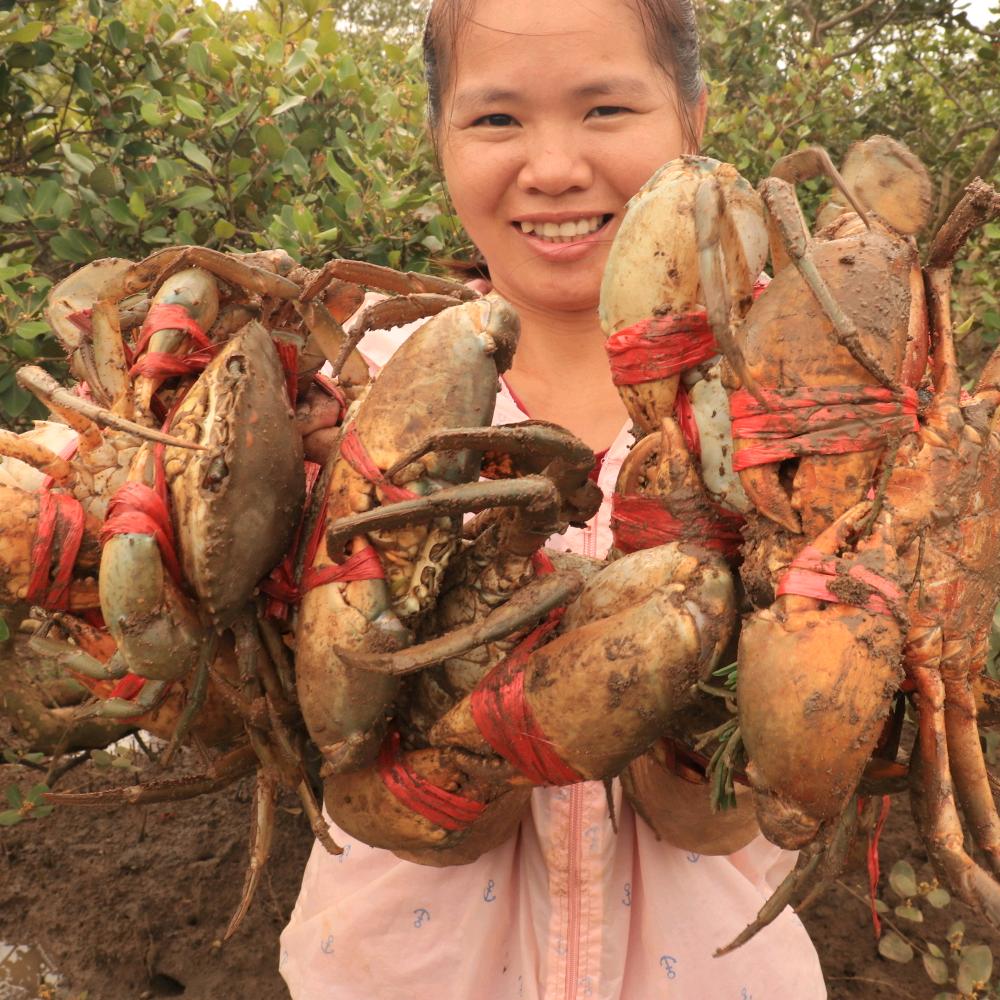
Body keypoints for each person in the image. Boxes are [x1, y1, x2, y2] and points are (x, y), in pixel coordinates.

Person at [281, 2, 828, 997]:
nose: (553, 167)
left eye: (605, 108)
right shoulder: (349, 394)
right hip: (396, 968)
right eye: (495, 120)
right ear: (439, 139)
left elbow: (734, 796)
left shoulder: (791, 409)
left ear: (693, 121)